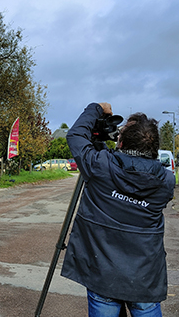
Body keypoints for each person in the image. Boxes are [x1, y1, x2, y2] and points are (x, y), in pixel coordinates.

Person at [61, 102, 175, 316]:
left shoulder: (100, 166)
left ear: (121, 143)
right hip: (145, 278)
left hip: (103, 275)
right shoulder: (166, 181)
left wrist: (96, 108)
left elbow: (76, 136)